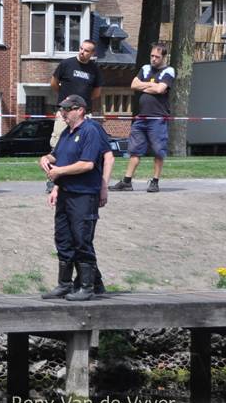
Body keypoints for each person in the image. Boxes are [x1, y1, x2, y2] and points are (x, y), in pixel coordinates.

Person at [39, 94, 111, 301]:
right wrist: (46, 159)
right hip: (65, 192)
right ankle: (65, 284)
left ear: (80, 110)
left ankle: (87, 287)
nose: (63, 113)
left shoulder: (90, 131)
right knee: (63, 239)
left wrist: (59, 172)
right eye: (62, 109)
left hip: (83, 194)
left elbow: (87, 164)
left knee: (82, 240)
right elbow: (58, 156)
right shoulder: (66, 133)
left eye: (67, 109)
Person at [110, 43, 174, 193]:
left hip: (158, 118)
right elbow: (133, 85)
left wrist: (144, 86)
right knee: (134, 150)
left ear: (164, 57)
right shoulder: (145, 68)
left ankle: (155, 182)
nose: (153, 59)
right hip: (141, 118)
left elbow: (160, 89)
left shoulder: (169, 70)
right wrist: (151, 85)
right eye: (152, 56)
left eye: (157, 57)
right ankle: (127, 182)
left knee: (158, 151)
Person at [48, 40, 103, 191]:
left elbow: (97, 92)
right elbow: (54, 83)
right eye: (81, 48)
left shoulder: (94, 69)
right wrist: (64, 99)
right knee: (57, 145)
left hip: (83, 114)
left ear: (92, 53)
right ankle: (53, 179)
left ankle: (74, 177)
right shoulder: (66, 64)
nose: (82, 52)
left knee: (80, 146)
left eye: (86, 50)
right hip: (64, 112)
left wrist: (82, 104)